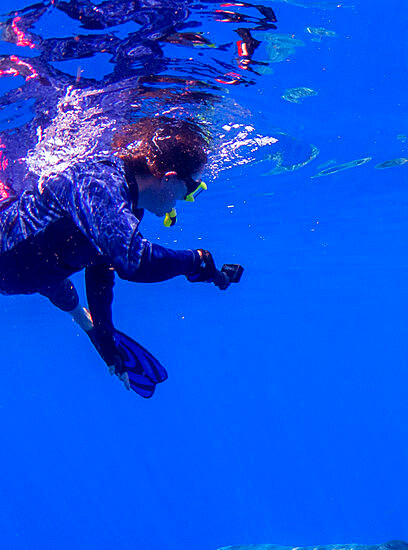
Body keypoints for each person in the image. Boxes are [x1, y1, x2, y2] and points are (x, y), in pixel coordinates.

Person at [0, 115, 240, 397]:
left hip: (35, 273)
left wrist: (105, 332)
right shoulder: (102, 185)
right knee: (50, 279)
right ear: (169, 179)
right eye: (190, 191)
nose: (184, 201)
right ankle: (84, 320)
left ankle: (88, 324)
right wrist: (195, 260)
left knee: (55, 284)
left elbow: (103, 265)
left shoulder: (129, 205)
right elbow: (135, 262)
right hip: (15, 259)